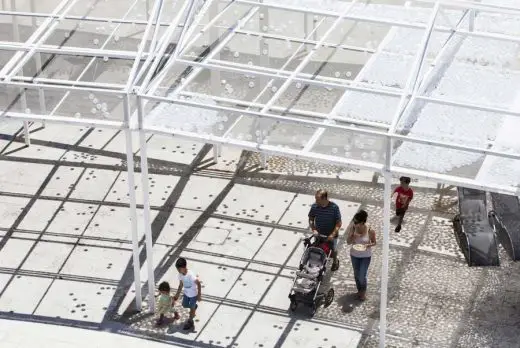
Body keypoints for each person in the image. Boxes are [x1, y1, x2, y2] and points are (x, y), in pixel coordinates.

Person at [308, 189, 342, 271]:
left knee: (333, 250)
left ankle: (335, 262)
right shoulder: (314, 206)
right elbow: (311, 218)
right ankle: (319, 263)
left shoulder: (334, 208)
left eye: (317, 199)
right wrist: (313, 229)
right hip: (318, 234)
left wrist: (332, 234)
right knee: (318, 249)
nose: (315, 201)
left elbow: (339, 223)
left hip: (331, 235)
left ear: (324, 199)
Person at [346, 210, 376, 301]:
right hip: (354, 254)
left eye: (356, 222)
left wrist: (368, 245)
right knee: (356, 274)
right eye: (354, 221)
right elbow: (348, 242)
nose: (354, 223)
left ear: (363, 222)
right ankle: (359, 290)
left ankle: (363, 292)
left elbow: (374, 242)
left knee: (362, 275)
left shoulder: (370, 230)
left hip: (365, 256)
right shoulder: (353, 228)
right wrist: (353, 237)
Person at [173, 257, 201, 331]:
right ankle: (194, 307)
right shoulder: (180, 275)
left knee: (191, 309)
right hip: (186, 294)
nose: (178, 271)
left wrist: (199, 295)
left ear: (184, 267)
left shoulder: (191, 275)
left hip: (193, 295)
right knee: (184, 305)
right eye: (177, 270)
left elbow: (198, 283)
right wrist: (177, 295)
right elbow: (181, 285)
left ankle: (190, 321)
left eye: (179, 269)